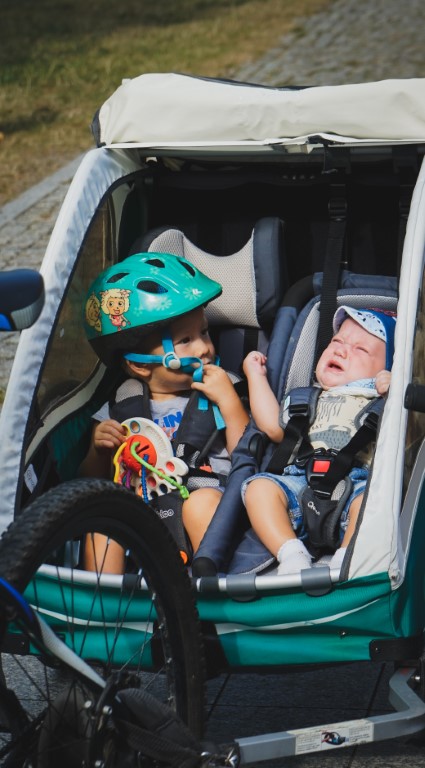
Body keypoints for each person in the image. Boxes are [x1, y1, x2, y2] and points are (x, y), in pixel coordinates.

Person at [80, 251, 249, 572]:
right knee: (102, 526)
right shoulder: (121, 406)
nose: (204, 348)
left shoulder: (221, 389)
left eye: (204, 332)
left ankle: (215, 586)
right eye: (186, 340)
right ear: (138, 365)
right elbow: (89, 482)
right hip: (141, 510)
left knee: (201, 505)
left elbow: (249, 455)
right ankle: (102, 597)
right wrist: (98, 450)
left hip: (206, 497)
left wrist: (229, 403)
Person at [241, 305, 396, 576]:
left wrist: (396, 388)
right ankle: (291, 553)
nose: (340, 351)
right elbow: (273, 428)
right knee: (258, 488)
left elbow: (409, 437)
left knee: (375, 502)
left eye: (360, 349)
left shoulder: (385, 402)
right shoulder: (306, 398)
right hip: (299, 484)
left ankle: (348, 556)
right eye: (336, 341)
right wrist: (256, 377)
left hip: (355, 487)